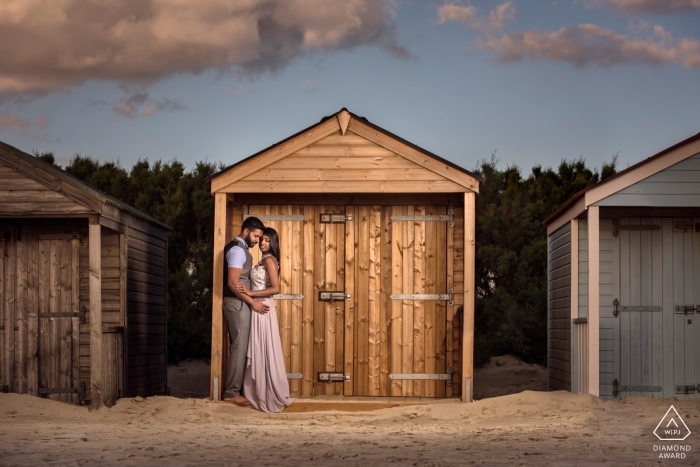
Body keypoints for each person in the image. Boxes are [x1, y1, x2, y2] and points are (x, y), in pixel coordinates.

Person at [236, 227, 294, 413]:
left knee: (263, 346)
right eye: (261, 239)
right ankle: (257, 390)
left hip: (263, 307)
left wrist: (251, 293)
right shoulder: (262, 259)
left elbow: (276, 288)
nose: (262, 243)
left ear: (273, 243)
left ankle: (266, 392)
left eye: (267, 240)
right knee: (259, 346)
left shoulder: (269, 260)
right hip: (258, 306)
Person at [222, 216, 267, 405]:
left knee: (239, 345)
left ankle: (235, 389)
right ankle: (231, 392)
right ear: (246, 231)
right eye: (256, 236)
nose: (257, 240)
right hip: (237, 303)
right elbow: (233, 283)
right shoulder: (237, 250)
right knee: (239, 346)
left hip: (238, 302)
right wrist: (252, 302)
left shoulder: (241, 250)